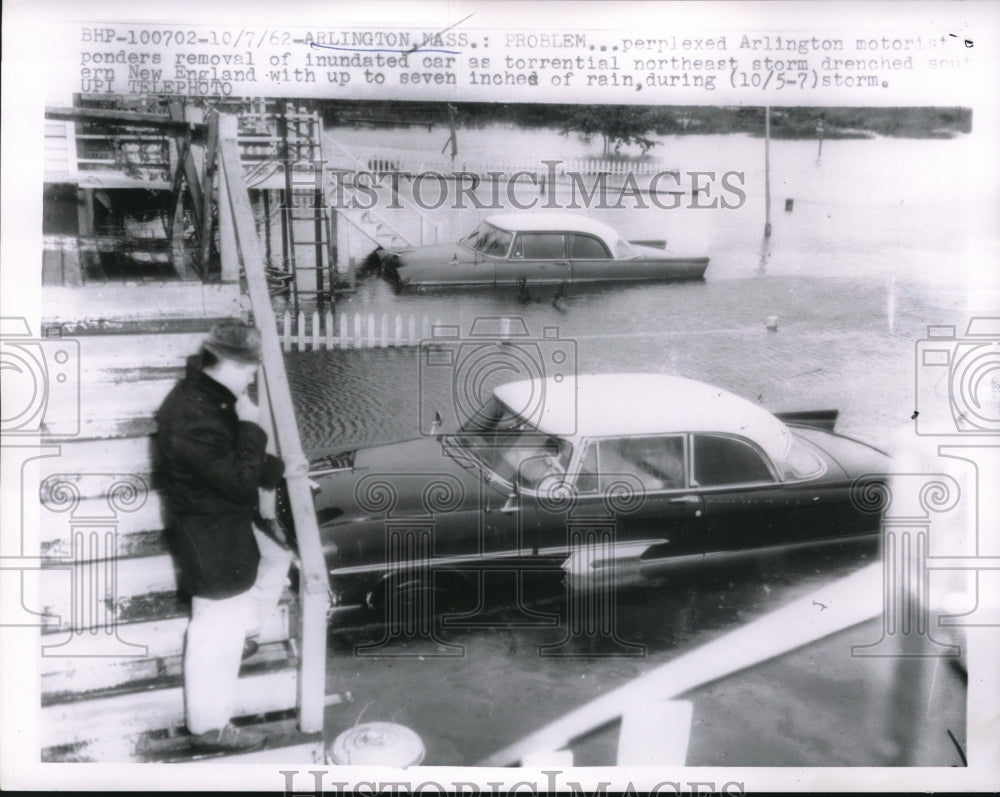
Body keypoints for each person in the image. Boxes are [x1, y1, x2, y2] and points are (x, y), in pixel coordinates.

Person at [155, 320, 292, 753]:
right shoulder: (195, 415)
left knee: (276, 558)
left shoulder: (208, 396)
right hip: (211, 536)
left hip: (224, 522)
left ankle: (245, 631)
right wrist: (254, 426)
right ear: (231, 363)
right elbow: (235, 480)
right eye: (250, 367)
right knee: (213, 631)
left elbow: (228, 458)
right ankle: (209, 728)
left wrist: (282, 469)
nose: (253, 375)